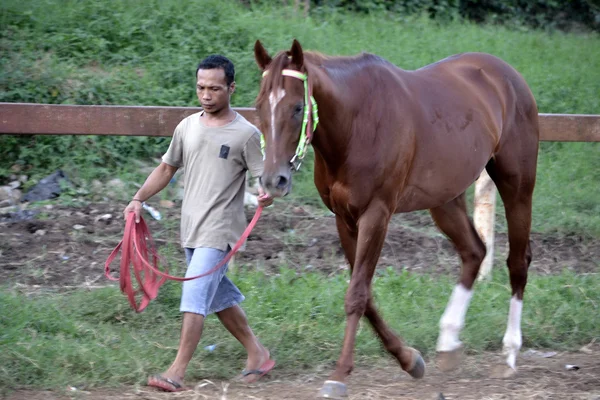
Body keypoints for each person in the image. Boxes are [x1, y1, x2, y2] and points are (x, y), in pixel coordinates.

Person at [123, 54, 274, 392]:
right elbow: (166, 169)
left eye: (215, 89)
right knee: (218, 297)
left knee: (194, 293)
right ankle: (258, 353)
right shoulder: (187, 126)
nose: (206, 95)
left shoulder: (246, 134)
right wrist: (138, 199)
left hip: (221, 229)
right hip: (190, 226)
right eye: (201, 88)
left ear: (231, 88)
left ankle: (176, 370)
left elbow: (263, 178)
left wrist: (267, 193)